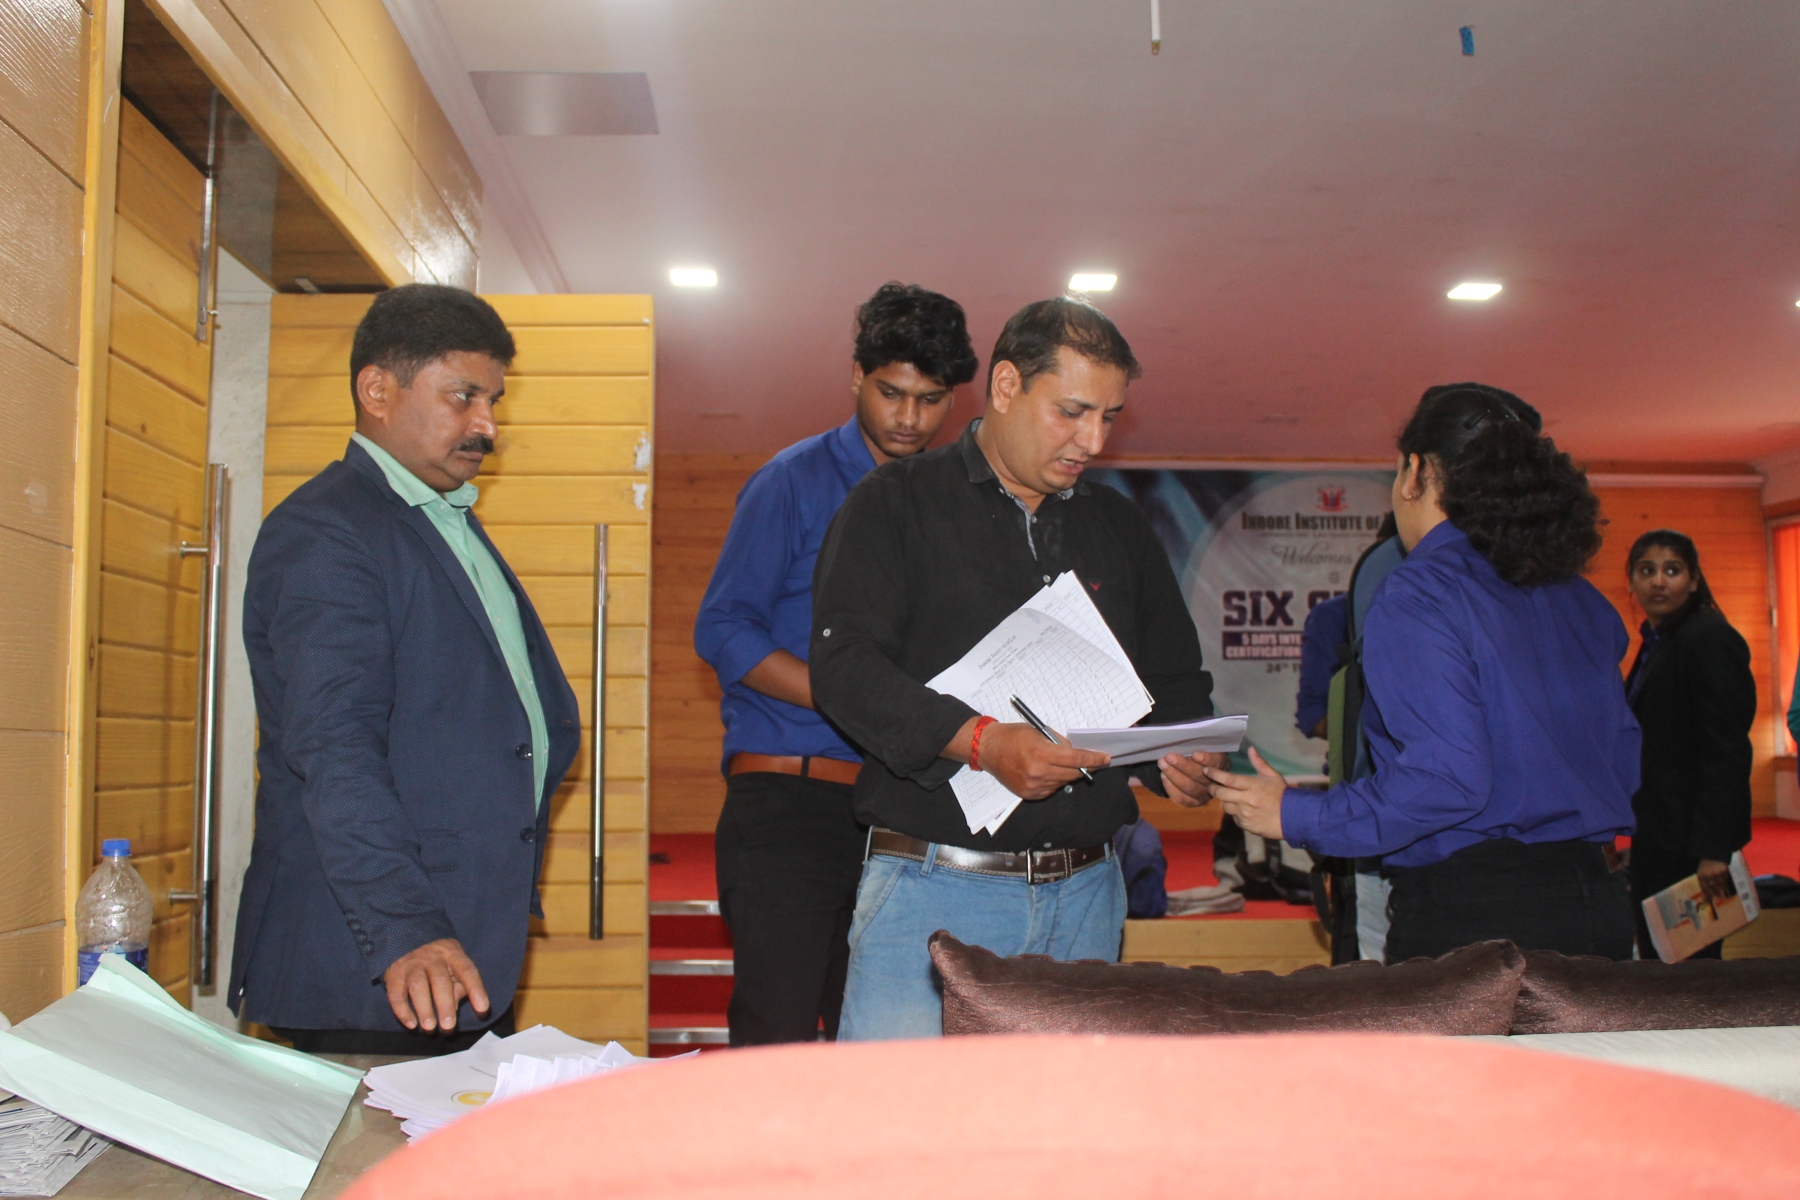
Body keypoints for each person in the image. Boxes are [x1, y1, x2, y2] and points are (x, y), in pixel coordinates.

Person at [809, 297, 1222, 1040]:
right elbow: (845, 669)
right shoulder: (894, 504)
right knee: (900, 1114)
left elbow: (1173, 680)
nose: (1093, 440)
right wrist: (981, 742)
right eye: (1072, 412)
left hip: (1090, 893)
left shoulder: (1119, 526)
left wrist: (1180, 759)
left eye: (1109, 416)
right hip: (931, 892)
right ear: (1006, 386)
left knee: (1062, 1117)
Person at [229, 285, 581, 1053]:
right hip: (378, 966)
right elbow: (334, 748)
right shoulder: (328, 531)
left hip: (456, 953)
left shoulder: (443, 521)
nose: (486, 425)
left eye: (493, 401)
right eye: (464, 396)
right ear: (378, 390)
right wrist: (406, 927)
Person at [1205, 383, 1641, 962]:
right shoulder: (1581, 598)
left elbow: (1446, 780)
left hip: (1477, 917)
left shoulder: (1421, 592)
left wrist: (1292, 813)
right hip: (1600, 904)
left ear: (1415, 472)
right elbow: (1624, 760)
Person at [694, 283, 978, 1046]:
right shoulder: (791, 481)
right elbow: (722, 629)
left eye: (930, 400)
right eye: (891, 392)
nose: (909, 417)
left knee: (885, 1047)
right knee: (779, 1045)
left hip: (898, 811)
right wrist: (851, 697)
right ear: (856, 376)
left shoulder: (947, 502)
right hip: (786, 802)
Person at [1623, 530, 1756, 959]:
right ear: (1631, 581)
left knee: (1689, 971)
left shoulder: (1709, 638)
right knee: (1660, 963)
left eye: (1672, 570)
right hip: (1659, 831)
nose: (1658, 581)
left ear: (1694, 580)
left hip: (1692, 840)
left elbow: (1726, 750)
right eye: (1647, 571)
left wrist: (1714, 850)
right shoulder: (1659, 641)